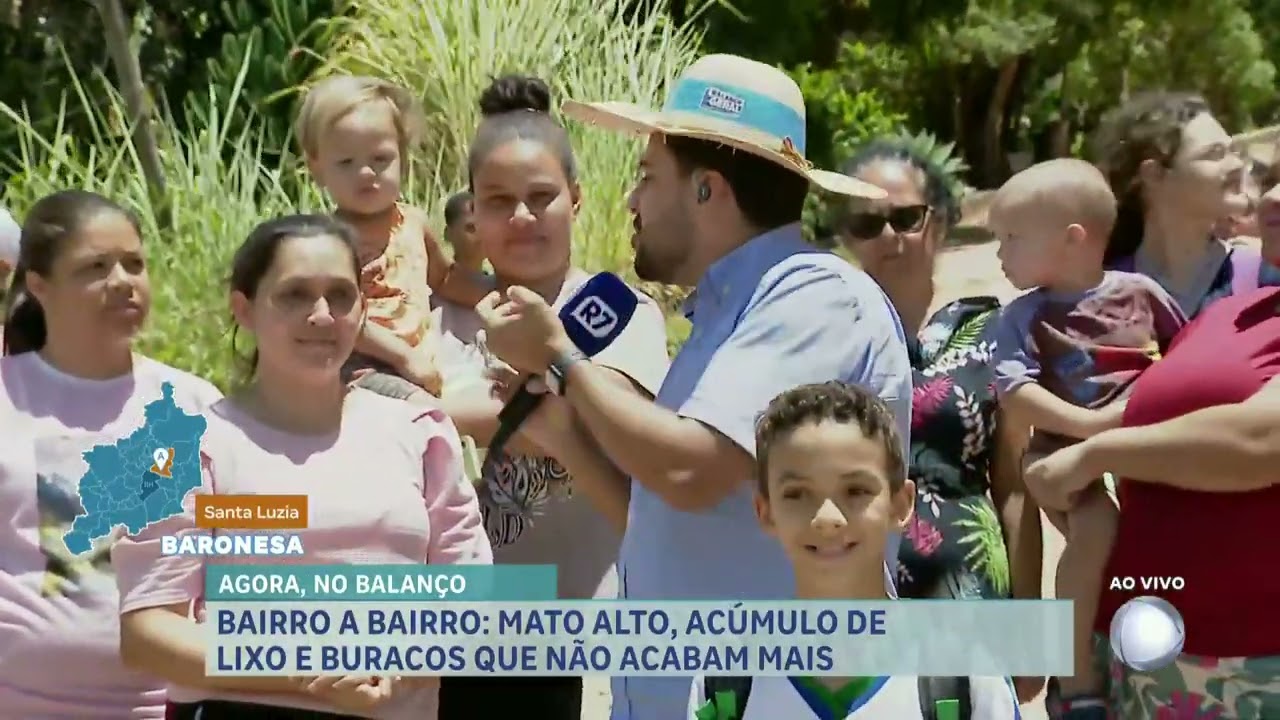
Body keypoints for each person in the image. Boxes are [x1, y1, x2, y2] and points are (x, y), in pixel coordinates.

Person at [476, 54, 912, 720]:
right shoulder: (729, 312)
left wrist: (560, 360)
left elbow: (689, 472)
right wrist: (562, 430)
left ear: (708, 190)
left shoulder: (816, 298)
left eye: (649, 177)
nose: (631, 200)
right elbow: (662, 514)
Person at [112, 214, 491, 719]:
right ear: (243, 309)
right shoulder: (178, 448)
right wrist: (310, 667)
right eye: (293, 295)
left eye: (340, 295)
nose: (321, 315)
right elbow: (149, 633)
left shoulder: (421, 431)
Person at [434, 74, 669, 720]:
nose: (521, 217)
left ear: (577, 200)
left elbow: (599, 415)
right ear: (471, 214)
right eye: (499, 200)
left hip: (582, 642)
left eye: (541, 197)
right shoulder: (435, 322)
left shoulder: (620, 313)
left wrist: (437, 408)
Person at [0, 189, 223, 717]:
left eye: (135, 263)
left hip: (165, 707)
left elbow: (243, 532)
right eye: (95, 267)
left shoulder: (196, 406)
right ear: (38, 285)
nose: (123, 280)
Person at [686, 381, 1021, 719]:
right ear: (765, 511)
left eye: (856, 490)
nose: (827, 518)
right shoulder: (726, 679)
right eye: (797, 494)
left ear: (900, 504)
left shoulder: (966, 675)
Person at [1023, 279, 1280, 719]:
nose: (1272, 204)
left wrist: (1090, 457)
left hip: (1248, 673)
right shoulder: (1232, 312)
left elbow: (1263, 441)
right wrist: (1061, 454)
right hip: (1143, 666)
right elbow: (1159, 414)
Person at [987, 159, 1187, 719]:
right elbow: (1015, 392)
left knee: (1156, 537)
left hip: (1143, 446)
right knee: (1095, 524)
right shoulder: (1025, 316)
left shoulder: (1141, 294)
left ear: (1072, 239)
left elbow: (1187, 352)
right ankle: (1075, 680)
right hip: (1060, 453)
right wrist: (1094, 430)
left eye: (1011, 238)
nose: (1000, 254)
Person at [836, 140, 1040, 604]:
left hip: (972, 593)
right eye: (868, 223)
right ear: (848, 237)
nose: (889, 235)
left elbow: (1015, 490)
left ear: (941, 221)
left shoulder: (995, 331)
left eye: (906, 218)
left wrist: (1031, 634)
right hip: (854, 592)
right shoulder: (827, 333)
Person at [296, 75, 489, 399]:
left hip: (418, 365)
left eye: (380, 159)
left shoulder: (413, 223)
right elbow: (342, 318)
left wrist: (500, 291)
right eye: (346, 163)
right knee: (427, 414)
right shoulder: (329, 242)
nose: (366, 173)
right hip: (359, 367)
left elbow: (445, 279)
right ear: (317, 169)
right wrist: (404, 357)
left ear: (403, 159)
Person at [1091, 91, 1278, 317]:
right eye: (1215, 154)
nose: (1237, 165)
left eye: (1233, 151)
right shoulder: (1101, 293)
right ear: (1154, 174)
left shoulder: (1263, 279)